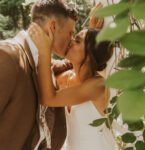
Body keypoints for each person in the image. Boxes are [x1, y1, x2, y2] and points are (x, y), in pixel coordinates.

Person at [0, 0, 104, 149]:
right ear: (53, 27)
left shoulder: (44, 63)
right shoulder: (7, 56)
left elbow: (78, 65)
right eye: (71, 34)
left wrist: (91, 41)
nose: (71, 41)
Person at [28, 26, 115, 150]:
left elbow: (48, 98)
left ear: (90, 54)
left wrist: (44, 50)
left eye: (77, 41)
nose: (71, 41)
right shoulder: (66, 76)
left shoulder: (98, 86)